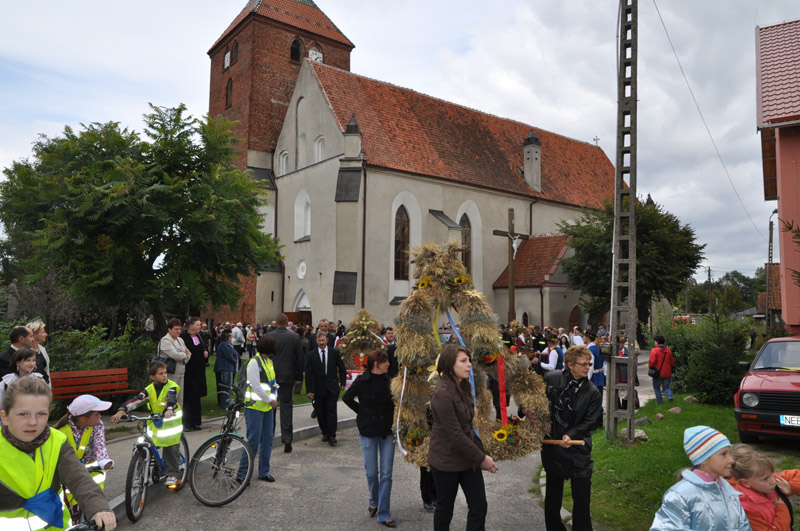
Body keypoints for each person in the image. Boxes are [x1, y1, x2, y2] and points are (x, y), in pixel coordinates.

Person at [0, 377, 117, 530]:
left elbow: (78, 477)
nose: (33, 422)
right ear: (5, 417)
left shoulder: (57, 440)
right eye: (23, 414)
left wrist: (99, 507)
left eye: (41, 414)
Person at [428, 344, 498, 531]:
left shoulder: (463, 386)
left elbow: (467, 427)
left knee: (479, 506)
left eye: (469, 361)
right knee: (445, 509)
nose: (469, 365)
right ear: (450, 364)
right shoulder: (442, 394)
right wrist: (482, 458)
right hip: (446, 461)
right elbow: (455, 434)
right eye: (463, 361)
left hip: (468, 460)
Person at [541, 345, 602, 531]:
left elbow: (591, 421)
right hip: (553, 449)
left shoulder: (592, 392)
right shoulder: (551, 379)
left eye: (589, 364)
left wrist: (571, 435)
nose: (587, 367)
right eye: (583, 364)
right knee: (552, 499)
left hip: (578, 450)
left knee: (582, 501)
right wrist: (527, 411)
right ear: (569, 364)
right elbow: (535, 403)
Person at [651, 426, 750, 530]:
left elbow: (743, 525)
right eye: (724, 454)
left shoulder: (728, 490)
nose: (731, 460)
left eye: (730, 454)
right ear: (704, 458)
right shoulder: (680, 495)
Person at [343, 349, 397, 527]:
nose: (389, 364)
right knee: (372, 473)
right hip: (368, 430)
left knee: (387, 474)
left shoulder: (390, 382)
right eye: (386, 361)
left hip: (387, 431)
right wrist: (362, 412)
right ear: (376, 364)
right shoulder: (362, 381)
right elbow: (347, 398)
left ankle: (384, 513)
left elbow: (398, 402)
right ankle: (374, 500)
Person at [111, 361, 184, 487]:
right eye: (161, 374)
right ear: (152, 377)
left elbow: (171, 398)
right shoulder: (149, 390)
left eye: (165, 373)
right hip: (156, 421)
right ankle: (140, 473)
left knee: (170, 446)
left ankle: (173, 474)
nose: (165, 376)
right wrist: (123, 409)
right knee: (144, 444)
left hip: (171, 423)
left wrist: (170, 409)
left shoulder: (171, 386)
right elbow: (137, 400)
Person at [54, 394, 114, 523]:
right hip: (70, 479)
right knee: (69, 516)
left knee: (92, 507)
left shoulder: (97, 425)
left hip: (93, 475)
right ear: (83, 419)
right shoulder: (61, 432)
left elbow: (100, 444)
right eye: (97, 414)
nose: (100, 416)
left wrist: (104, 461)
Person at [728, 444, 800, 531]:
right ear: (746, 483)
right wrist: (782, 506)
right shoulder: (744, 508)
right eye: (766, 478)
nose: (773, 481)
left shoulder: (764, 480)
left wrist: (791, 487)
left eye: (772, 474)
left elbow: (797, 474)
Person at [238, 335, 279, 483]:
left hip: (267, 407)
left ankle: (264, 472)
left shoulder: (269, 362)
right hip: (254, 407)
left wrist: (274, 397)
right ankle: (242, 474)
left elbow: (273, 382)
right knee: (253, 441)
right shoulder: (254, 363)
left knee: (267, 439)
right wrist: (270, 400)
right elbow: (256, 386)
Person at [267, 313, 305, 453]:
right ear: (287, 323)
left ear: (276, 322)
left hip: (271, 376)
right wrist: (298, 376)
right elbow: (299, 358)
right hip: (287, 376)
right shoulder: (294, 337)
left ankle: (268, 437)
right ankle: (287, 439)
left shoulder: (268, 336)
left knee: (270, 406)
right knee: (286, 407)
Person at [305, 332, 346, 446]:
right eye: (319, 341)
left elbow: (341, 367)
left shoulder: (334, 352)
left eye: (323, 340)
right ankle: (325, 432)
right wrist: (309, 390)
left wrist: (342, 382)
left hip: (332, 387)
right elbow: (309, 374)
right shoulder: (311, 355)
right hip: (318, 388)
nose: (321, 343)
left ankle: (332, 435)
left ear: (327, 340)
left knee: (331, 411)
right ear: (316, 342)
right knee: (321, 412)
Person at [181, 316, 208, 432]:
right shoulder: (183, 337)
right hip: (189, 371)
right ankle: (187, 422)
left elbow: (203, 348)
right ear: (191, 326)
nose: (200, 327)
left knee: (196, 397)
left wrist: (206, 352)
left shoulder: (198, 336)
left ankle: (196, 421)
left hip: (199, 370)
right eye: (198, 325)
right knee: (188, 397)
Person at [158, 317, 191, 405]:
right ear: (169, 329)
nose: (178, 331)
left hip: (181, 372)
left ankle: (179, 417)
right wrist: (185, 355)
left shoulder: (180, 340)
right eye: (176, 329)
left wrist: (184, 356)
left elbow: (189, 354)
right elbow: (175, 355)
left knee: (180, 399)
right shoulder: (165, 340)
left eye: (180, 329)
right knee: (171, 398)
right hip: (170, 373)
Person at [214, 329, 239, 408]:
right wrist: (234, 360)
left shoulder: (227, 344)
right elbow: (229, 354)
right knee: (226, 386)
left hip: (228, 367)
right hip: (225, 367)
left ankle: (228, 402)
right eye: (230, 336)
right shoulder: (224, 344)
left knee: (228, 385)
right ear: (226, 337)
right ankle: (225, 403)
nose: (231, 338)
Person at [649, 335, 674, 404]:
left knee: (657, 388)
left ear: (657, 342)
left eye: (655, 341)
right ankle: (669, 396)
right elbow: (672, 362)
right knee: (666, 387)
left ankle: (660, 402)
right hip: (667, 372)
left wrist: (651, 367)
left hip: (658, 373)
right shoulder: (668, 351)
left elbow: (652, 362)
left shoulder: (655, 350)